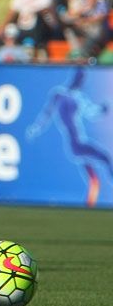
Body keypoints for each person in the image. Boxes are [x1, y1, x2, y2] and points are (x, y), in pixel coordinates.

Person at [26, 68, 113, 207]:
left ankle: (89, 205)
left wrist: (103, 109)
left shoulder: (77, 97)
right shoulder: (61, 94)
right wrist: (35, 128)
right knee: (106, 159)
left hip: (76, 144)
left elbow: (92, 112)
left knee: (94, 179)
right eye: (80, 77)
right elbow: (47, 113)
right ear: (76, 78)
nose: (81, 81)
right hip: (77, 143)